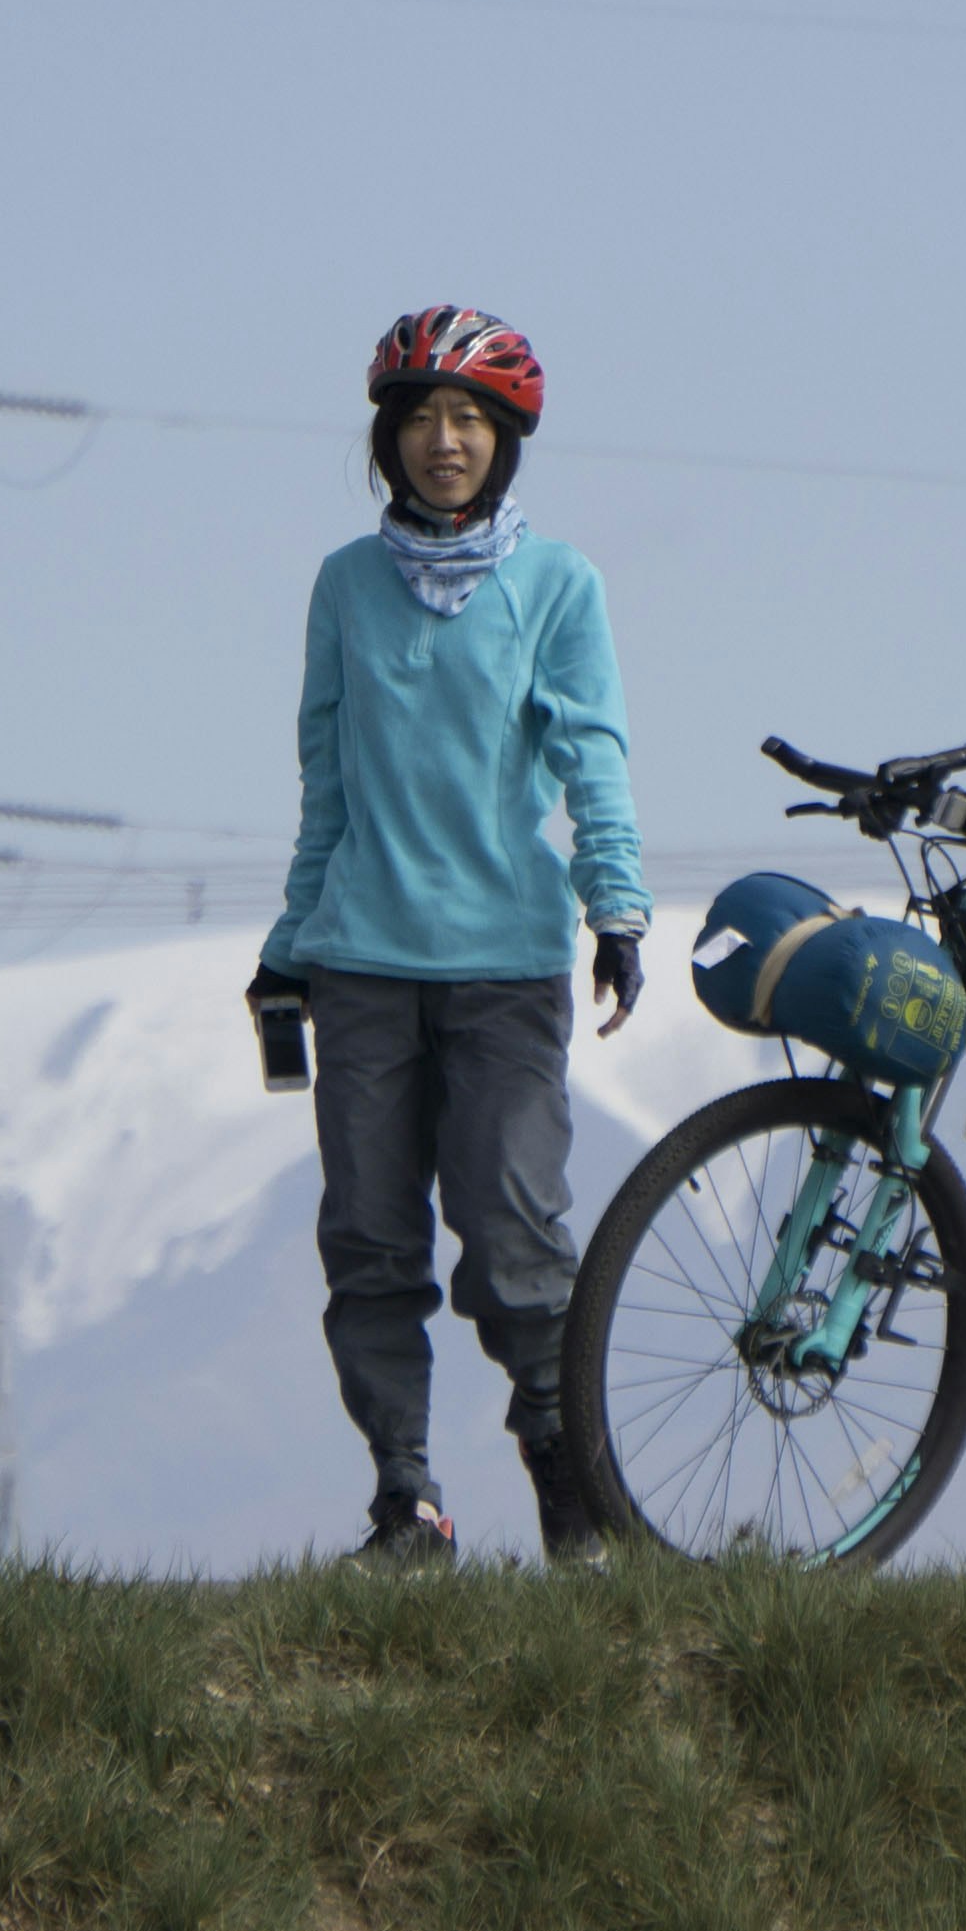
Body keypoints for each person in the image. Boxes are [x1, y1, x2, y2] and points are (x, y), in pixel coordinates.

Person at [245, 306, 650, 1565]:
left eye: (470, 418)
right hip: (362, 963)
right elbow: (329, 780)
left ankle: (564, 1473)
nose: (443, 440)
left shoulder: (558, 584)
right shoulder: (344, 585)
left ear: (508, 438)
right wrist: (289, 936)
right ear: (387, 437)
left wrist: (617, 905)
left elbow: (593, 754)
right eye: (419, 417)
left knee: (518, 1235)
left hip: (505, 969)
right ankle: (406, 1500)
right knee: (369, 1241)